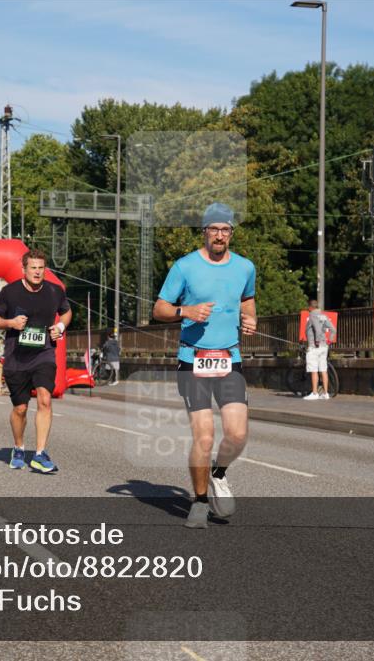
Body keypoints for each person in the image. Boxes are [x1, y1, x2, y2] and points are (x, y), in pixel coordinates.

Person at [152, 202, 256, 529]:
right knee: (205, 438)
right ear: (205, 232)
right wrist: (186, 312)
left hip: (229, 359)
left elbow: (247, 300)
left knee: (237, 435)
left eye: (225, 230)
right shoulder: (184, 267)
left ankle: (218, 474)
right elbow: (159, 309)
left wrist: (250, 319)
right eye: (214, 230)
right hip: (192, 360)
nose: (220, 236)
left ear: (231, 233)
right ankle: (198, 502)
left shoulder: (244, 267)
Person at [0, 249, 71, 473]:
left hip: (44, 353)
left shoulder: (54, 291)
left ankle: (40, 454)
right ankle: (19, 447)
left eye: (41, 268)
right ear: (24, 269)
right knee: (20, 409)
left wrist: (60, 327)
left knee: (45, 399)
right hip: (17, 357)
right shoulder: (10, 292)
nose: (37, 272)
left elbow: (66, 313)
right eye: (33, 267)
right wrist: (10, 323)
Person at [304, 299, 337, 401]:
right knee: (323, 369)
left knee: (314, 370)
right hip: (324, 347)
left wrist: (317, 341)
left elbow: (317, 329)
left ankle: (314, 393)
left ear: (310, 307)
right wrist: (329, 340)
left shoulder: (313, 315)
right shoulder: (322, 315)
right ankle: (326, 393)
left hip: (315, 347)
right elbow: (333, 329)